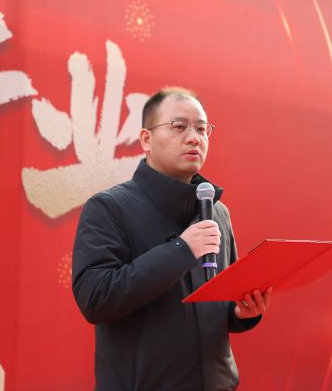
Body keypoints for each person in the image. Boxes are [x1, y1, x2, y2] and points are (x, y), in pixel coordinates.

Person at [72, 86, 272, 391]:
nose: (194, 138)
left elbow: (218, 303)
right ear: (146, 139)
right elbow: (96, 299)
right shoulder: (109, 208)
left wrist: (240, 313)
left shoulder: (216, 212)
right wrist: (181, 250)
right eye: (179, 127)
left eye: (202, 129)